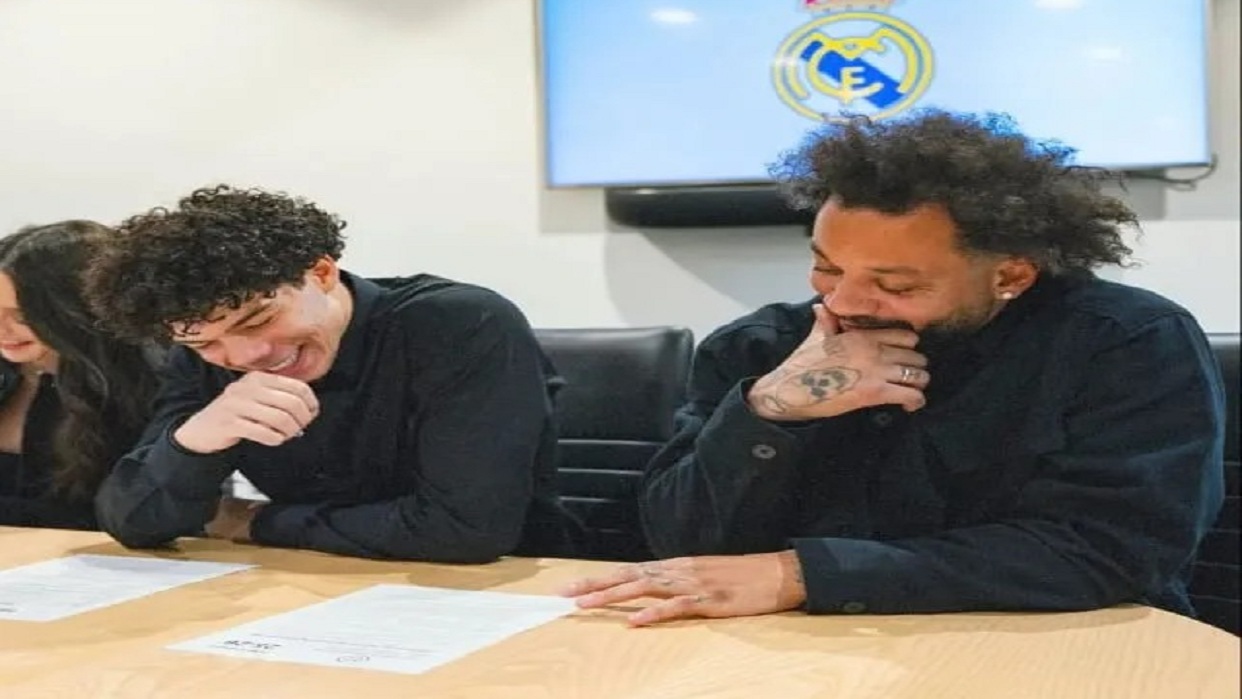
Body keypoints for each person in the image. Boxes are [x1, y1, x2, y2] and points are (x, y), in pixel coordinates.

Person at [562, 109, 1226, 626]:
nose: (843, 302)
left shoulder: (1123, 343)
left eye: (895, 285)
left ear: (1010, 275)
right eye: (826, 265)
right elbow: (675, 540)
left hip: (1063, 647)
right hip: (795, 655)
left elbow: (1110, 552)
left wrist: (805, 574)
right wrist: (769, 412)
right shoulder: (760, 347)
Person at [84, 185, 578, 562]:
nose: (249, 354)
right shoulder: (203, 358)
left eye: (258, 319)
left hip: (509, 589)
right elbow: (131, 521)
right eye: (204, 342)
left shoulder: (458, 324)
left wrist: (254, 523)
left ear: (321, 273)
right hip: (314, 583)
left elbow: (465, 531)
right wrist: (194, 441)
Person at [0, 221, 161, 530]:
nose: (2, 329)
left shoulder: (142, 385)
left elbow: (119, 515)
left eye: (20, 316)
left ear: (72, 311)